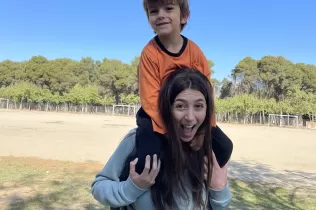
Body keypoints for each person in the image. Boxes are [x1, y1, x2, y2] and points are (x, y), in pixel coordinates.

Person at [91, 69, 231, 210]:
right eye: (180, 106)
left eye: (198, 106)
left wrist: (219, 189)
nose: (190, 116)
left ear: (207, 110)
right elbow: (99, 186)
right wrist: (132, 188)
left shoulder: (209, 149)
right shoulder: (137, 141)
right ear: (167, 108)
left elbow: (218, 206)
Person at [135, 0, 233, 175]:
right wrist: (172, 133)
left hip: (188, 113)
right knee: (147, 160)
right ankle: (129, 197)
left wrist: (203, 128)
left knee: (224, 147)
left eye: (169, 8)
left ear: (184, 16)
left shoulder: (195, 52)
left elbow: (207, 93)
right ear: (149, 18)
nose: (161, 15)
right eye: (154, 11)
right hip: (156, 115)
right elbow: (150, 99)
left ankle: (201, 185)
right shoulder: (150, 54)